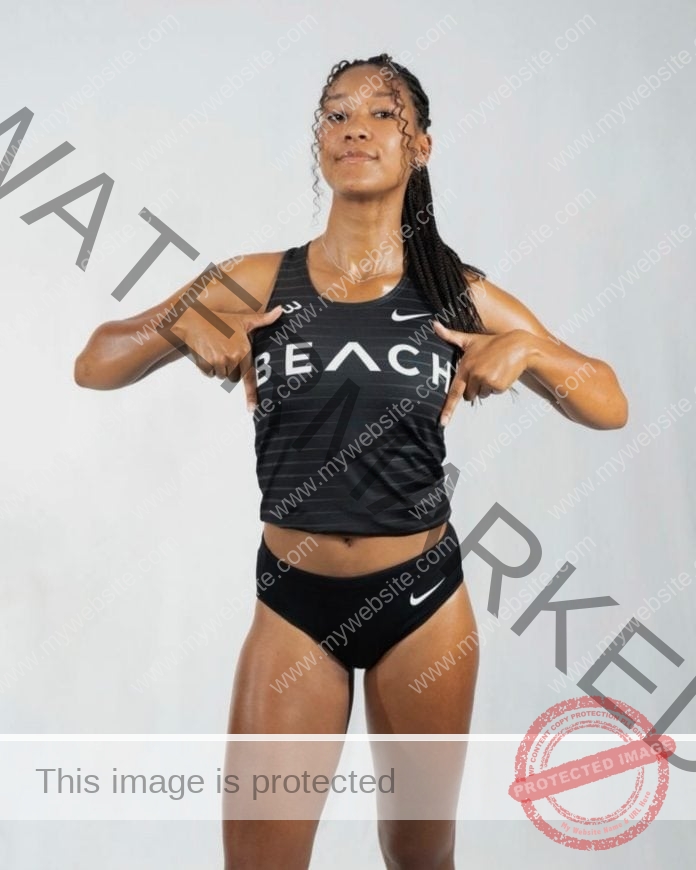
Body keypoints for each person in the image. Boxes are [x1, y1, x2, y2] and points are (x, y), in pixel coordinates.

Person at [75, 52, 629, 870]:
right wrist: (175, 329)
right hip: (294, 606)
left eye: (381, 113)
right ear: (318, 143)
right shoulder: (257, 280)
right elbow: (95, 361)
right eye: (335, 114)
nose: (355, 127)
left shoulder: (455, 290)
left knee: (417, 859)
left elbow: (609, 402)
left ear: (422, 147)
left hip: (422, 605)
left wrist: (529, 354)